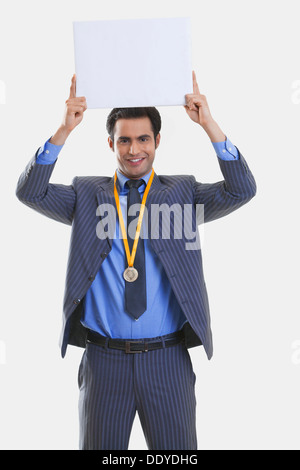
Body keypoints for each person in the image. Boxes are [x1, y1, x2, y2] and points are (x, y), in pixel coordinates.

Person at [16, 71, 256, 450]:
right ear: (110, 143)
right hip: (103, 362)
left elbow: (242, 189)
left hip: (167, 361)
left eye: (143, 139)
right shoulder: (87, 194)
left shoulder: (182, 192)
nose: (133, 150)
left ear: (157, 141)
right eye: (124, 140)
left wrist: (209, 123)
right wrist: (63, 130)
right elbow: (31, 192)